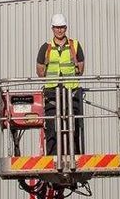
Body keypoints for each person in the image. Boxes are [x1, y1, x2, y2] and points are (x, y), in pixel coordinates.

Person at [35, 13, 85, 153]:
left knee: (73, 125)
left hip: (71, 91)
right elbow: (39, 70)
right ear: (52, 28)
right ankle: (52, 157)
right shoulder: (46, 47)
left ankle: (74, 155)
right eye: (57, 27)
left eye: (62, 27)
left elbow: (80, 67)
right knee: (51, 126)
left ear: (66, 28)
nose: (59, 30)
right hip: (52, 93)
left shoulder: (74, 45)